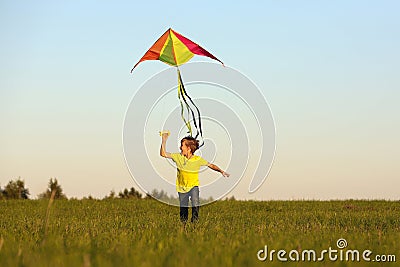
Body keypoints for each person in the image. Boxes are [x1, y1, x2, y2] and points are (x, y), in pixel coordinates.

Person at [160, 133, 230, 223]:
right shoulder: (178, 157)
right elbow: (163, 154)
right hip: (182, 188)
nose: (180, 148)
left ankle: (194, 224)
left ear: (188, 148)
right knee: (183, 210)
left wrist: (221, 171)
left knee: (195, 204)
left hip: (194, 186)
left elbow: (211, 165)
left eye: (182, 145)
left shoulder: (197, 159)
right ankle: (184, 226)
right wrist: (164, 140)